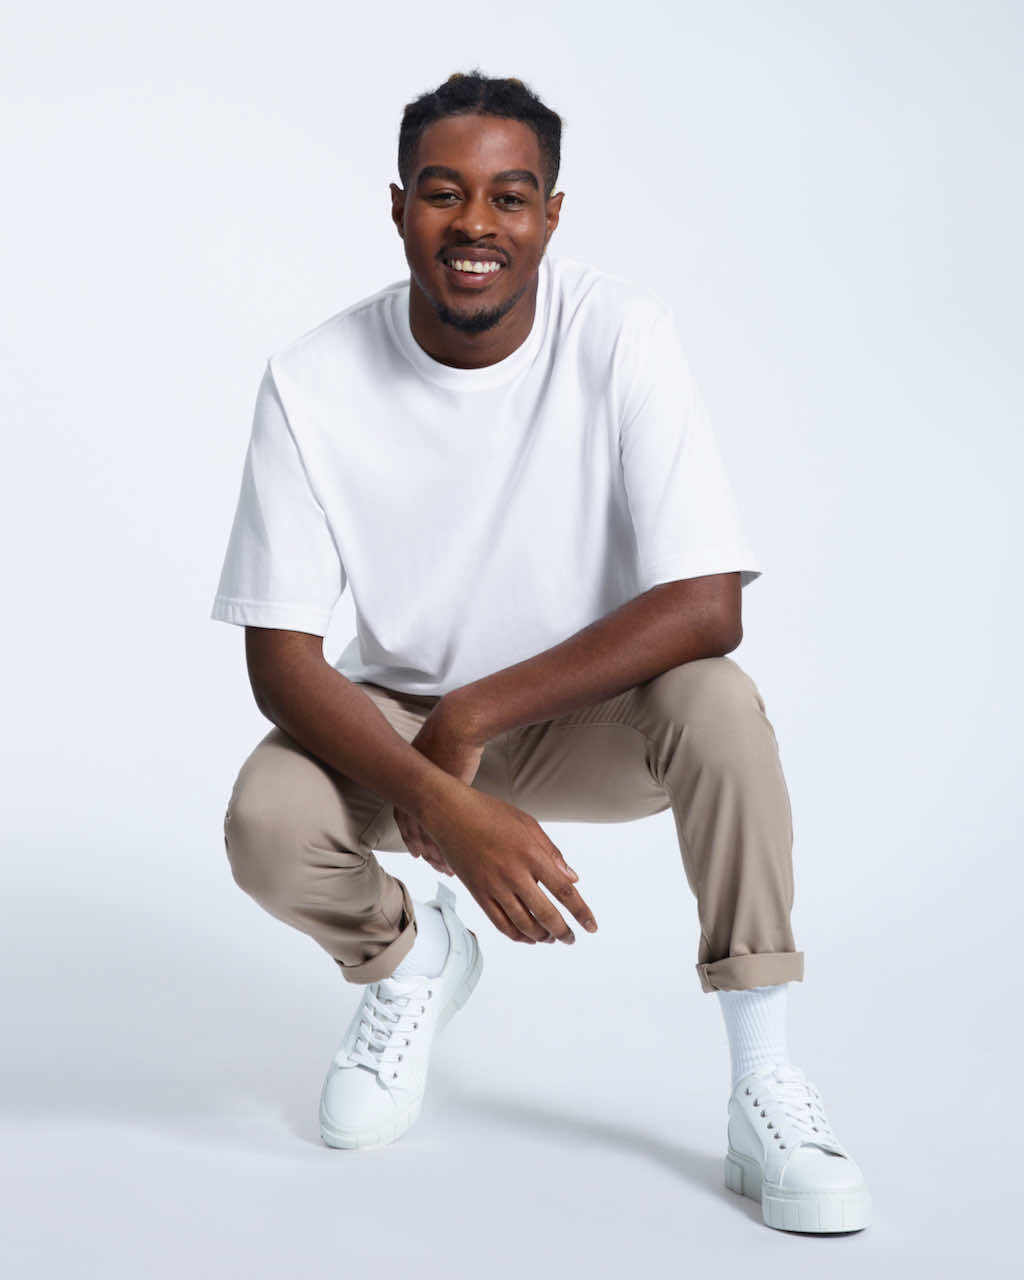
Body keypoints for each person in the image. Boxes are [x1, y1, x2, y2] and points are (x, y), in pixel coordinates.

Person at [211, 70, 870, 1234]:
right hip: (403, 732)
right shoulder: (311, 379)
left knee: (719, 701)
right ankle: (412, 963)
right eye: (442, 192)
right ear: (398, 205)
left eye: (510, 197)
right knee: (266, 814)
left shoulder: (620, 335)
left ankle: (762, 1077)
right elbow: (283, 657)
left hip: (594, 722)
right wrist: (432, 780)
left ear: (551, 216)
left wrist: (475, 717)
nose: (475, 225)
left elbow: (707, 603)